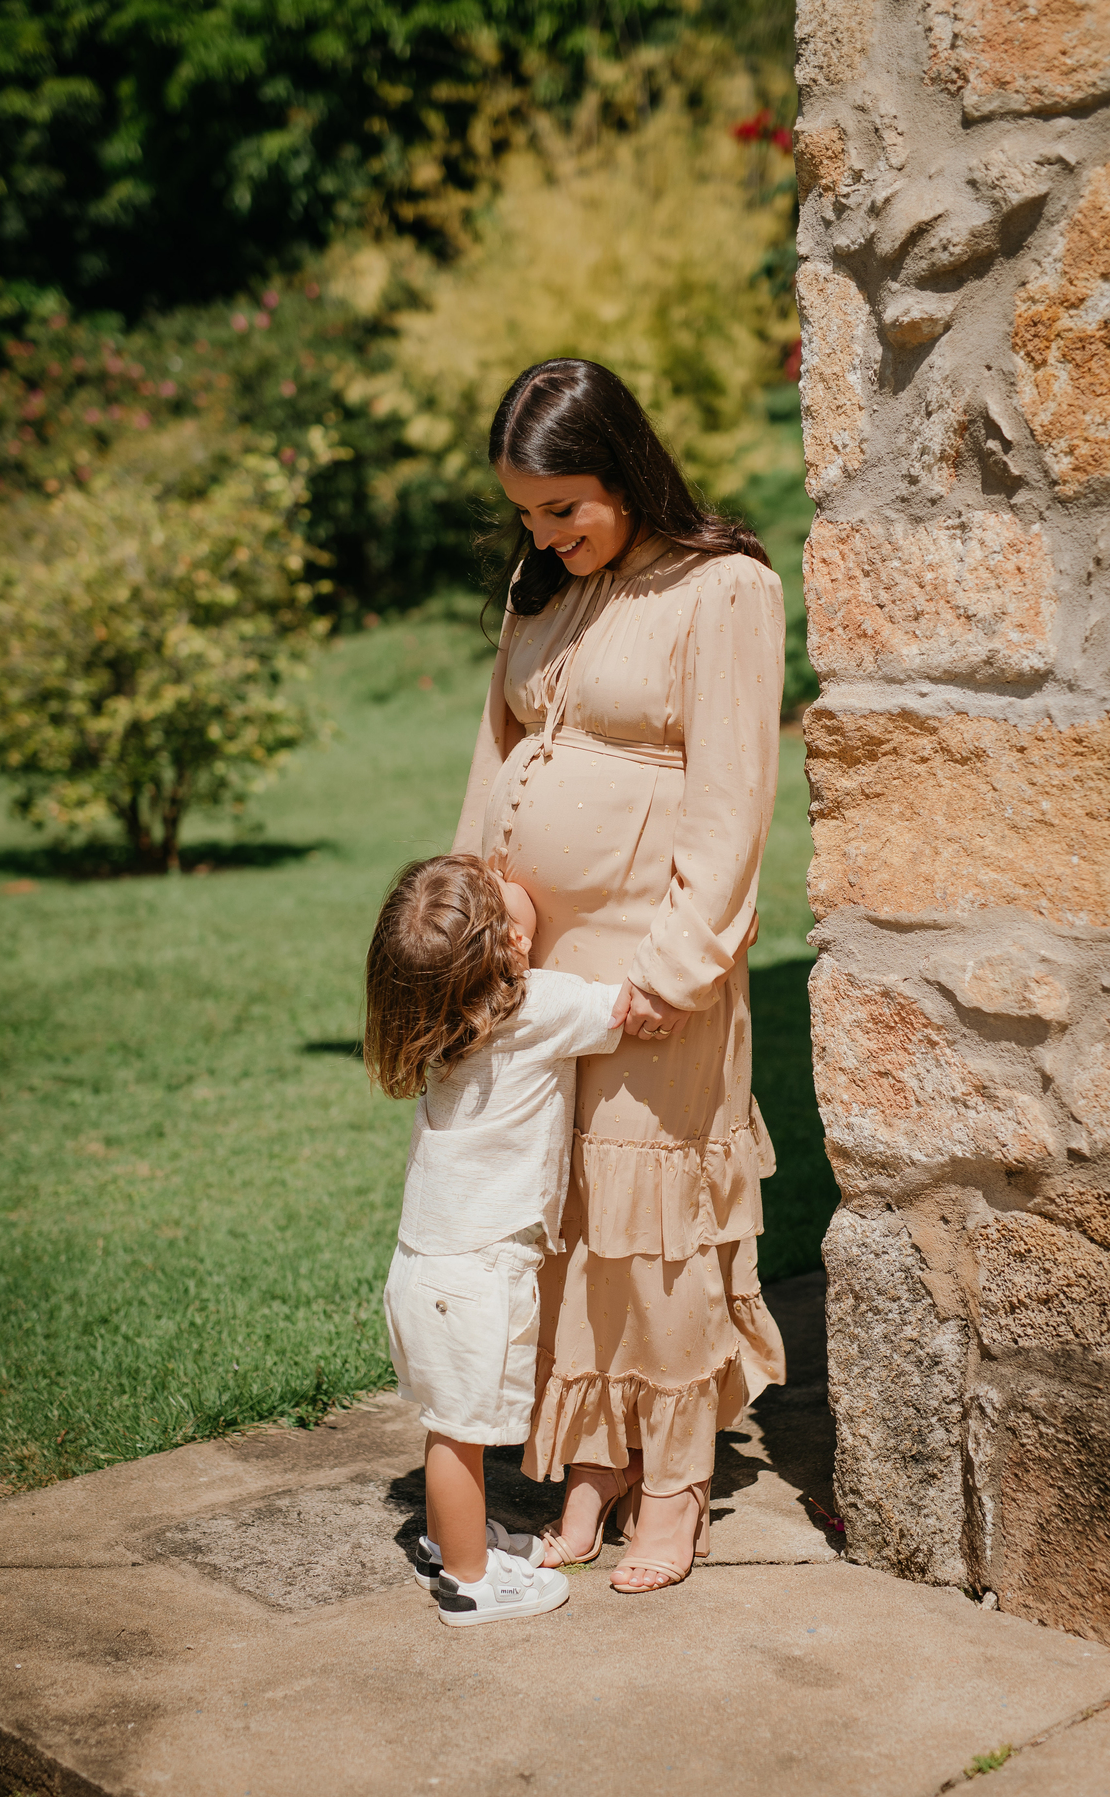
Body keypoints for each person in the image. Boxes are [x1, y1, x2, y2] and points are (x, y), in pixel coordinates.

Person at [452, 357, 788, 1594]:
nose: (544, 534)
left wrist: (678, 969)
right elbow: (496, 757)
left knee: (657, 1237)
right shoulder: (542, 587)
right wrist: (470, 935)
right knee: (573, 1223)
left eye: (563, 507)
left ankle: (679, 1480)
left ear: (627, 470)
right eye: (525, 513)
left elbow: (733, 798)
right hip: (542, 971)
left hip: (654, 971)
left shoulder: (724, 588)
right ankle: (595, 1461)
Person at [366, 852, 626, 1625]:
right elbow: (632, 1007)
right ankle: (471, 1583)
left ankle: (449, 1542)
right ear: (510, 943)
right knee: (462, 1438)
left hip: (423, 1269)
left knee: (448, 1431)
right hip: (479, 1278)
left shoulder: (440, 1017)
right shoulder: (534, 1005)